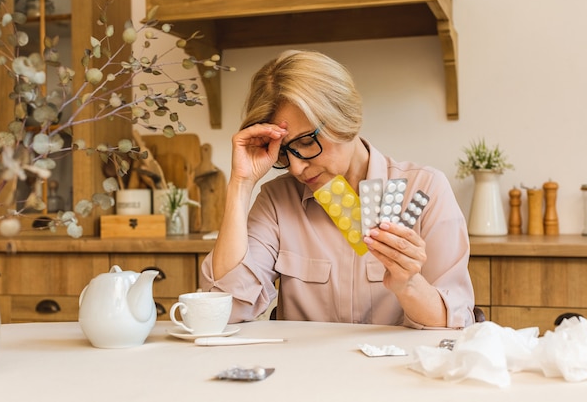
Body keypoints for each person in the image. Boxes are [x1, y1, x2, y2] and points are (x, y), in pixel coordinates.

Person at [200, 49, 475, 329]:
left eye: (306, 142)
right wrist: (241, 183)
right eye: (283, 152)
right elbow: (224, 309)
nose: (295, 168)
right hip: (304, 370)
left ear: (345, 116)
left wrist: (409, 284)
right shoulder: (277, 201)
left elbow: (454, 326)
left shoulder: (426, 189)